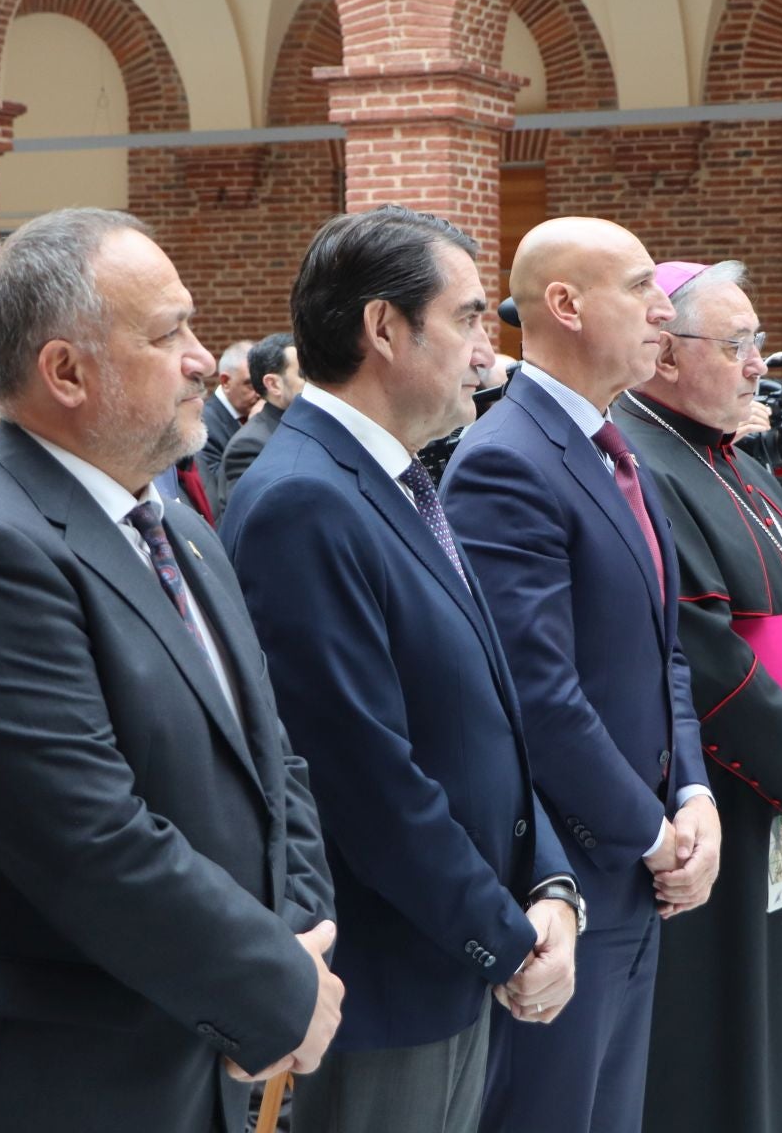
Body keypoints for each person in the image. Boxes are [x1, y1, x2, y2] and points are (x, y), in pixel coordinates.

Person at [0, 209, 340, 1132]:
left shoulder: (176, 528)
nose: (200, 358)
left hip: (191, 1043)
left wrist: (302, 936)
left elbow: (271, 758)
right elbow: (85, 835)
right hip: (49, 1080)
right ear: (65, 372)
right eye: (168, 334)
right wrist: (273, 989)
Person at [223, 206, 579, 1133]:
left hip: (454, 950)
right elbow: (362, 774)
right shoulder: (303, 498)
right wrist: (504, 938)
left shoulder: (397, 476)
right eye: (466, 319)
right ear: (384, 328)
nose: (487, 352)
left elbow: (489, 716)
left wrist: (548, 884)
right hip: (391, 974)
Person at [441, 219, 717, 1133]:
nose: (664, 308)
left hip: (637, 856)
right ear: (564, 304)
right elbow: (537, 693)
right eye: (640, 287)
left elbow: (662, 648)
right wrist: (649, 833)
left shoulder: (607, 446)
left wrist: (695, 794)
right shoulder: (507, 461)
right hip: (568, 867)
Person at [613, 260, 782, 1133]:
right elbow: (701, 649)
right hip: (717, 790)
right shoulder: (640, 459)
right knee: (720, 1024)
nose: (761, 362)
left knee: (779, 1005)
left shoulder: (737, 461)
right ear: (668, 355)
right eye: (739, 342)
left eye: (759, 341)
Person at [216, 332, 303, 507]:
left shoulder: (310, 427)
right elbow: (253, 518)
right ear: (274, 384)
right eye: (303, 374)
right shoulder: (250, 445)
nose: (315, 381)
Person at [199, 338, 256, 491]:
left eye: (260, 383)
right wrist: (254, 428)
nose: (258, 393)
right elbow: (217, 484)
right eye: (250, 384)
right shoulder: (204, 423)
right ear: (225, 382)